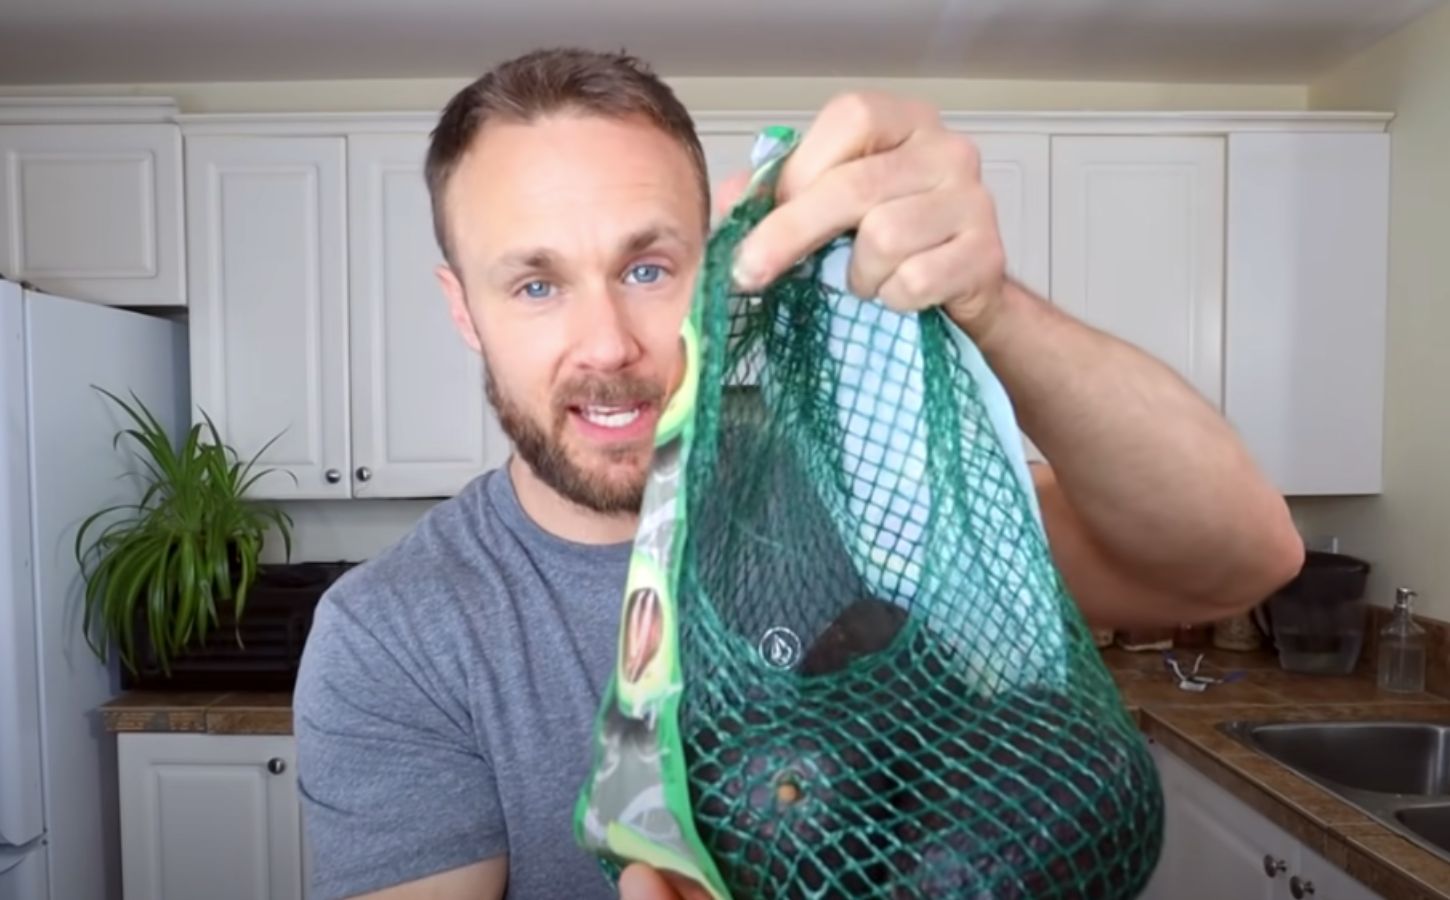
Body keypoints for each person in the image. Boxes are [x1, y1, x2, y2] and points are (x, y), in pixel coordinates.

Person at [292, 46, 1305, 900]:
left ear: (722, 260)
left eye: (649, 268)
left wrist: (991, 305)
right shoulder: (397, 635)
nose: (605, 344)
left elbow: (1234, 562)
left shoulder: (856, 486)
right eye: (534, 282)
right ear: (463, 308)